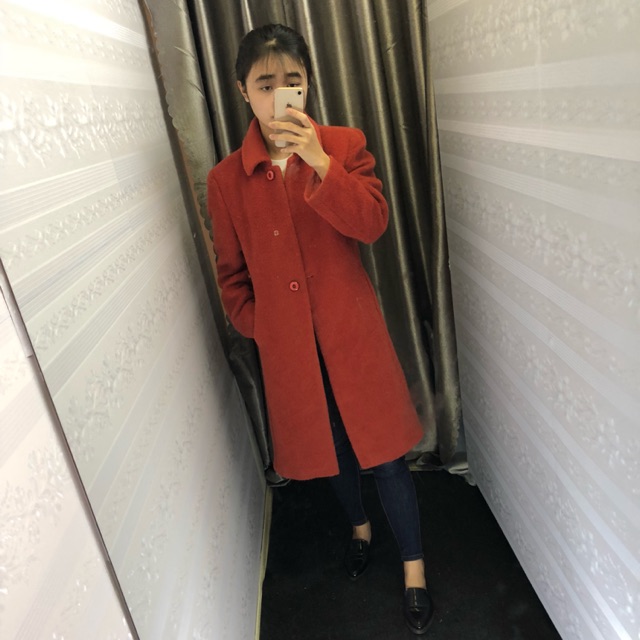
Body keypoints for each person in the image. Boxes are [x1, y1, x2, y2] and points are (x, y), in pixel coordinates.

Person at [207, 23, 434, 635]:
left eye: (293, 81)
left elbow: (373, 224)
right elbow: (232, 278)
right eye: (265, 84)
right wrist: (266, 327)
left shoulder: (342, 144)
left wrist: (319, 163)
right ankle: (360, 529)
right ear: (242, 91)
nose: (280, 94)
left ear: (308, 84)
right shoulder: (226, 180)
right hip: (292, 354)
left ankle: (414, 567)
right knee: (333, 452)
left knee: (387, 455)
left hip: (353, 338)